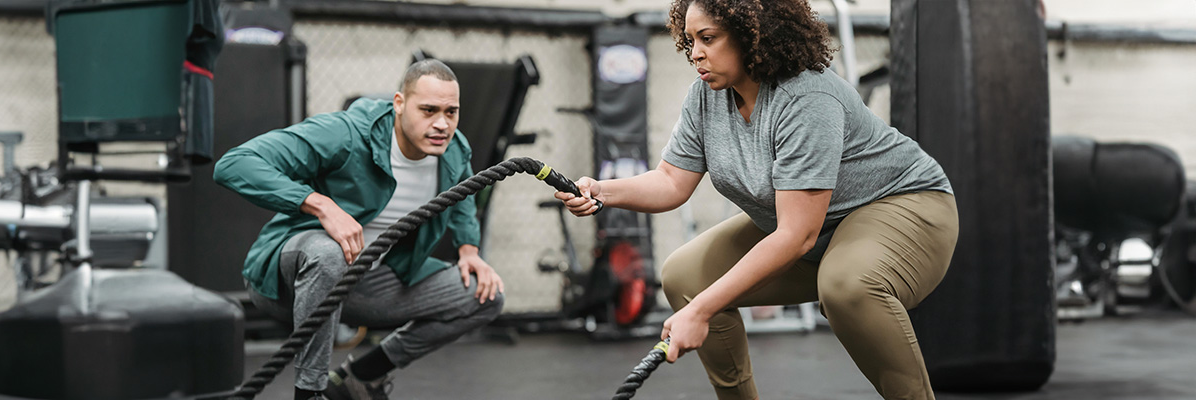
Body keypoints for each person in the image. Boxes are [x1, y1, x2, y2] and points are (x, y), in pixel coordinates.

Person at [556, 1, 958, 399]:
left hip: (906, 208)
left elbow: (796, 235)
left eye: (708, 38)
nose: (695, 52)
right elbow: (670, 181)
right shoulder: (706, 96)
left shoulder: (806, 96)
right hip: (811, 228)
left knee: (846, 286)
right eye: (690, 40)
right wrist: (601, 192)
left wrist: (699, 312)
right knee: (686, 277)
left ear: (753, 34)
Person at [214, 60, 505, 400]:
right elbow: (234, 163)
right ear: (399, 103)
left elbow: (463, 196)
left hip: (367, 281)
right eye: (428, 110)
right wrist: (320, 204)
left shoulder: (453, 149)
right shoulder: (346, 134)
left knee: (485, 295)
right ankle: (309, 393)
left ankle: (360, 378)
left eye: (451, 112)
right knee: (328, 253)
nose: (441, 124)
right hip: (288, 283)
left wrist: (469, 251)